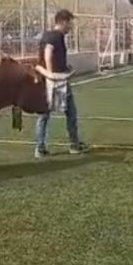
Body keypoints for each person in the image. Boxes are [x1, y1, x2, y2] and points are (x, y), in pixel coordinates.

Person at [34, 9, 90, 158]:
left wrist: (65, 68)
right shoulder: (55, 36)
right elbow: (48, 52)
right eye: (70, 23)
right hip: (56, 81)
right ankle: (74, 145)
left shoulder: (50, 35)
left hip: (51, 79)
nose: (71, 26)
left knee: (44, 114)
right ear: (64, 22)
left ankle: (40, 147)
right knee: (70, 113)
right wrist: (52, 74)